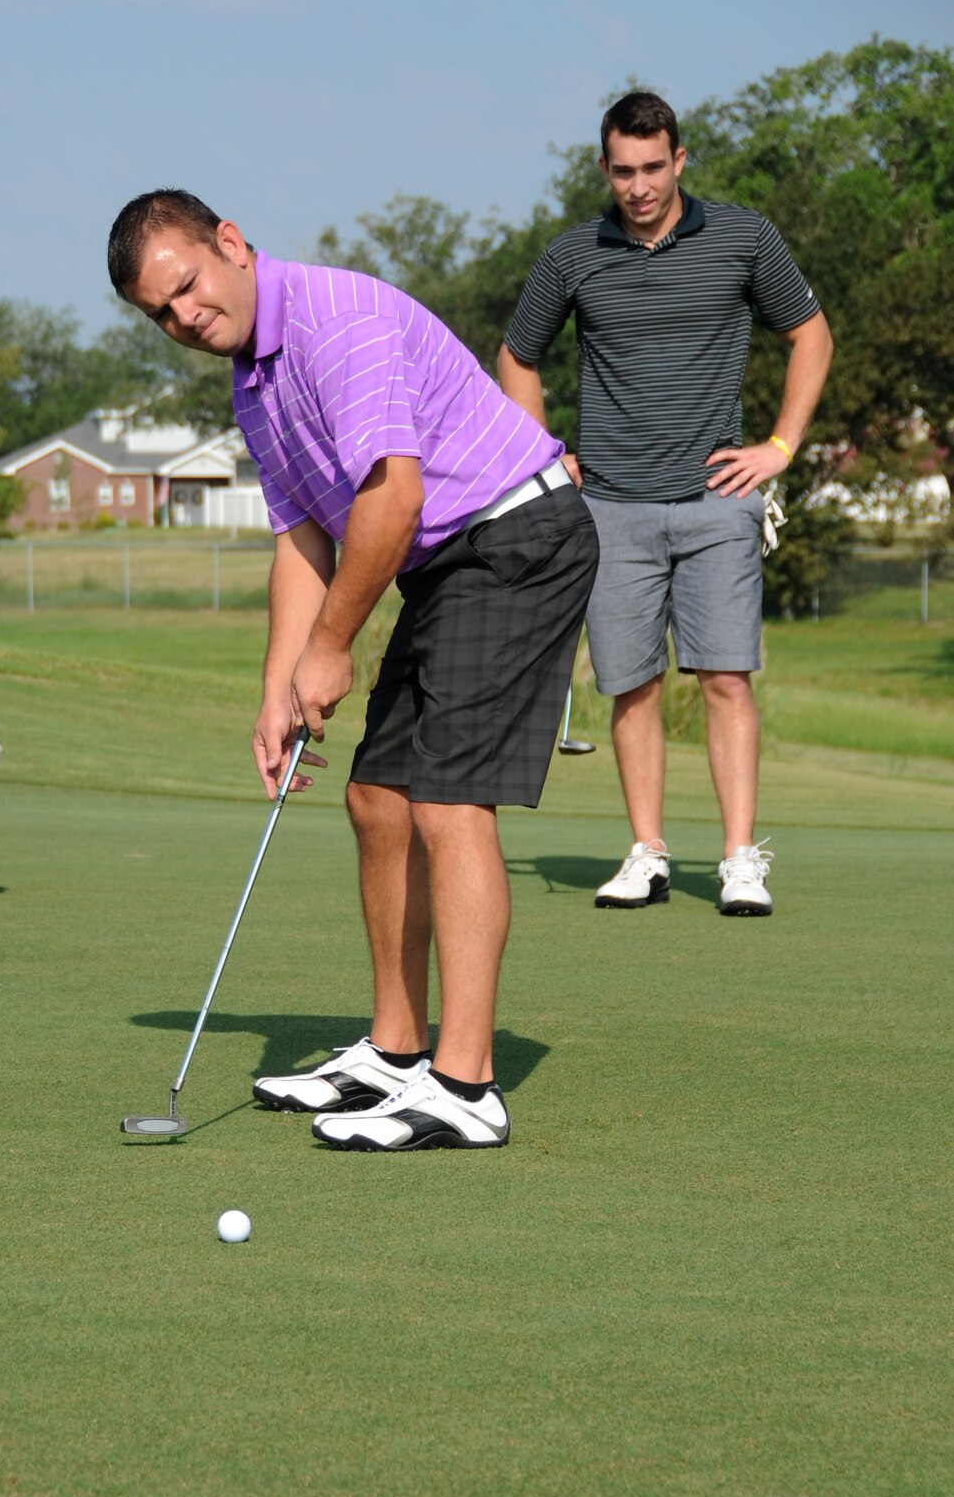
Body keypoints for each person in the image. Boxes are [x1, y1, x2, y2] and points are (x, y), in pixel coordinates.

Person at [108, 190, 599, 1153]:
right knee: (378, 797)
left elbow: (390, 500)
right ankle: (396, 1047)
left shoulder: (339, 321)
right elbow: (302, 536)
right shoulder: (252, 384)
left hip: (516, 537)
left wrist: (330, 650)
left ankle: (466, 1084)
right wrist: (277, 686)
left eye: (188, 288)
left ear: (231, 245)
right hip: (449, 561)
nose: (184, 318)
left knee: (448, 804)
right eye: (161, 314)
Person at [498, 92, 833, 915]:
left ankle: (737, 859)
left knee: (725, 679)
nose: (638, 186)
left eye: (652, 168)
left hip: (717, 501)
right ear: (604, 168)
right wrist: (546, 454)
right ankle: (645, 853)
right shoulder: (573, 255)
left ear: (678, 161)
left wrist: (779, 450)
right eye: (622, 170)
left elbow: (811, 336)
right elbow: (515, 356)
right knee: (633, 685)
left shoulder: (744, 237)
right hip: (609, 507)